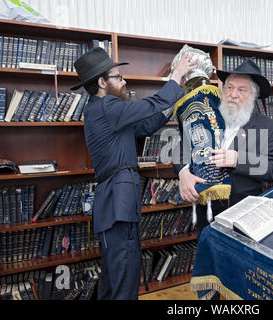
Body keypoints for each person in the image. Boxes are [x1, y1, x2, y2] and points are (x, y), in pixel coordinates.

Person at [71, 47, 196, 300]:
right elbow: (153, 104)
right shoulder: (107, 106)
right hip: (118, 200)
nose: (124, 81)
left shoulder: (103, 111)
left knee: (115, 275)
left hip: (114, 202)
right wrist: (177, 76)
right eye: (118, 76)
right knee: (125, 277)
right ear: (102, 82)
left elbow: (147, 124)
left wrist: (175, 103)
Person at [174, 58, 273, 238]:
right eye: (229, 88)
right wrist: (183, 172)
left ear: (254, 95)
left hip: (244, 219)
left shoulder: (270, 128)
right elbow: (180, 150)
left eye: (241, 90)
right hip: (207, 214)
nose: (233, 94)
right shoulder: (207, 117)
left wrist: (237, 159)